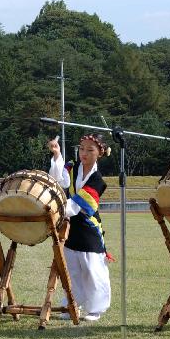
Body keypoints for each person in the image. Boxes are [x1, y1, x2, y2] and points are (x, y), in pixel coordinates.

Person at [47, 134, 111, 321]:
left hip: (88, 228)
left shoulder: (98, 180)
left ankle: (95, 309)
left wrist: (55, 210)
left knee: (92, 269)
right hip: (70, 226)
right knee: (72, 269)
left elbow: (79, 205)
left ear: (99, 153)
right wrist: (57, 155)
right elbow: (60, 181)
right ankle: (72, 304)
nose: (84, 153)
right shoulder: (72, 167)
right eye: (82, 148)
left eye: (90, 150)